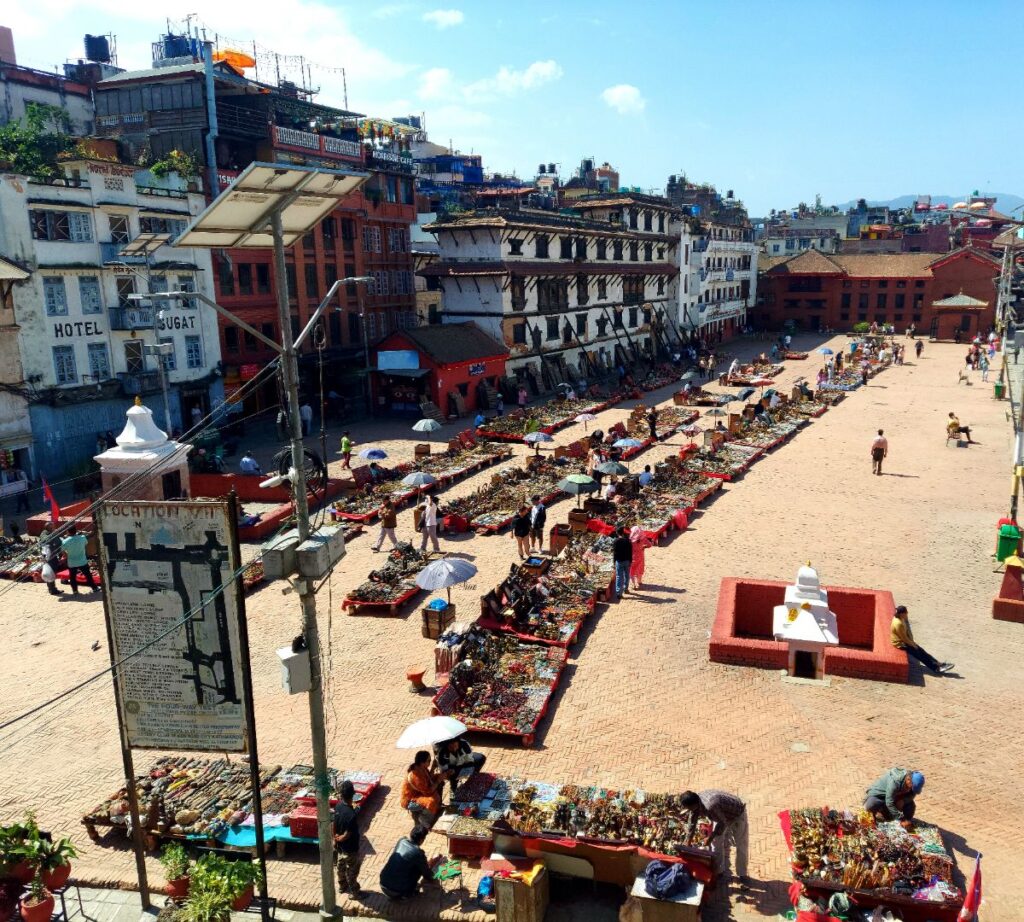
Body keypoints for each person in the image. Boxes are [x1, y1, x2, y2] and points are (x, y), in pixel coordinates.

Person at [681, 790, 749, 883]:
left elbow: (723, 823)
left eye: (689, 808)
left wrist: (710, 837)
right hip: (720, 813)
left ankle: (742, 874)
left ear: (694, 805)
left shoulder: (710, 806)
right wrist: (688, 840)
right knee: (716, 843)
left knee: (741, 844)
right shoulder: (695, 802)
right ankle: (719, 871)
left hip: (736, 813)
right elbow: (692, 821)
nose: (689, 811)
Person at [379, 826, 438, 901]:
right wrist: (433, 877)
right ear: (422, 840)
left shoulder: (401, 840)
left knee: (408, 865)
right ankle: (406, 894)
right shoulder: (418, 853)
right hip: (396, 891)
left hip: (383, 883)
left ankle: (402, 889)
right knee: (419, 868)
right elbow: (426, 873)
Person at [891, 605, 953, 674]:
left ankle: (939, 664)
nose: (907, 613)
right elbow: (904, 639)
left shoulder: (900, 618)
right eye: (906, 612)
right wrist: (913, 644)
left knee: (922, 652)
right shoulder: (898, 623)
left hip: (905, 642)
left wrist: (912, 642)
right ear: (902, 613)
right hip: (900, 644)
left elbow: (906, 633)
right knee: (920, 655)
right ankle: (936, 668)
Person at [400, 751, 443, 833]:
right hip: (410, 800)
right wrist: (438, 781)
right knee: (432, 801)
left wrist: (433, 768)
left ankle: (434, 809)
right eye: (428, 761)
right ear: (422, 762)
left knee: (439, 784)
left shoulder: (422, 768)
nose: (430, 762)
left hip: (419, 792)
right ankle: (424, 820)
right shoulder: (416, 776)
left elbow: (428, 778)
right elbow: (428, 792)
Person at [333, 780, 362, 897]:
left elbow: (333, 824)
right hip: (350, 848)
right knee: (352, 870)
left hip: (340, 847)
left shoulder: (338, 806)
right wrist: (340, 839)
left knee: (340, 867)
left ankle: (342, 886)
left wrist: (334, 838)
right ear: (353, 795)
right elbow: (348, 834)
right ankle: (354, 892)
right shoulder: (352, 815)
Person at [61, 524, 98, 594]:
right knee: (88, 575)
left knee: (72, 577)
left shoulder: (65, 541)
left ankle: (75, 591)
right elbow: (85, 543)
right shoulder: (82, 538)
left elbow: (64, 554)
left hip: (72, 562)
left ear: (68, 532)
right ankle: (94, 588)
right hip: (82, 561)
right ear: (75, 530)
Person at [629, 525, 654, 591]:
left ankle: (633, 584)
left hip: (632, 555)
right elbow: (650, 545)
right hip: (640, 555)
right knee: (640, 568)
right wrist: (643, 547)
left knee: (631, 570)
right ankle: (639, 581)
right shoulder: (643, 538)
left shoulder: (630, 539)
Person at [612, 526, 633, 600]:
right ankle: (626, 589)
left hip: (619, 561)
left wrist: (614, 562)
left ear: (617, 533)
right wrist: (630, 560)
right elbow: (630, 552)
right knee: (627, 575)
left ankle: (618, 593)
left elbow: (615, 553)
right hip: (627, 561)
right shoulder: (628, 541)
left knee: (619, 577)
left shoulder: (616, 541)